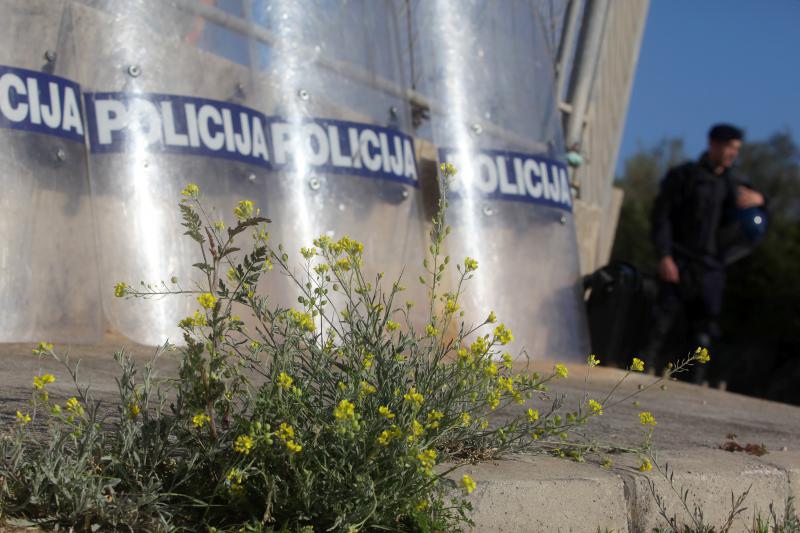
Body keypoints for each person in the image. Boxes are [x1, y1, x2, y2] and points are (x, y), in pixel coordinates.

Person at [646, 124, 765, 383]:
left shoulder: (737, 184)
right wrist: (664, 255)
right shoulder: (684, 176)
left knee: (704, 331)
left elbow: (757, 224)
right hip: (679, 260)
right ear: (713, 144)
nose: (732, 153)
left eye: (737, 149)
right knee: (661, 324)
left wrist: (762, 200)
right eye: (729, 147)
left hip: (711, 268)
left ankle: (694, 384)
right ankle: (641, 376)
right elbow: (661, 218)